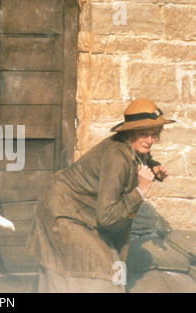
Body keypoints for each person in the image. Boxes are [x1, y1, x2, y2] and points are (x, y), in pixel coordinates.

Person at [26, 98, 176, 293]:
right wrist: (140, 191)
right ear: (129, 133)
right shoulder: (116, 158)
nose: (149, 140)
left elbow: (140, 157)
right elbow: (106, 218)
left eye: (154, 134)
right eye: (143, 134)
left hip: (82, 210)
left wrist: (153, 166)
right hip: (63, 210)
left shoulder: (131, 147)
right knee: (98, 271)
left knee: (103, 266)